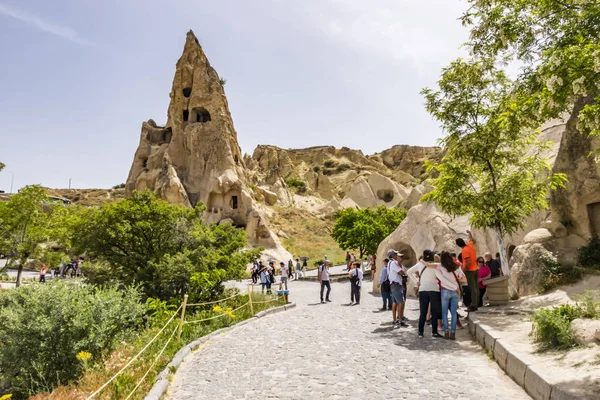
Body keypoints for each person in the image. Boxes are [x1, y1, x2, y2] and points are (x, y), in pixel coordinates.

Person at [422, 251, 467, 340]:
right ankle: (453, 332)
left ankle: (446, 331)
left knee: (444, 313)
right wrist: (456, 281)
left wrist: (421, 260)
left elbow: (428, 265)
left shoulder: (440, 266)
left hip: (445, 291)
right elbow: (464, 279)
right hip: (455, 292)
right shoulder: (457, 267)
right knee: (454, 313)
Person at [407, 250, 442, 338]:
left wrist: (417, 281)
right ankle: (434, 332)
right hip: (434, 289)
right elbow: (440, 277)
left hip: (423, 289)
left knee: (423, 312)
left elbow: (409, 272)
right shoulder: (434, 266)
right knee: (434, 312)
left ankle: (420, 332)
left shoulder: (420, 265)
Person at [456, 230, 479, 312]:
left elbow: (468, 262)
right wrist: (470, 233)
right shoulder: (470, 245)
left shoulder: (464, 250)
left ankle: (473, 305)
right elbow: (471, 239)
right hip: (476, 269)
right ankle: (477, 303)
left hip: (470, 270)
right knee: (476, 287)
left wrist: (463, 271)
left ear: (458, 245)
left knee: (472, 288)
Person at [387, 249, 407, 327]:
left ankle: (395, 320)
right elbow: (401, 272)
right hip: (396, 285)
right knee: (401, 302)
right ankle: (400, 320)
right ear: (393, 255)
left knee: (395, 303)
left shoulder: (389, 263)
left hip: (393, 285)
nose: (397, 256)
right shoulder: (394, 263)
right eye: (396, 254)